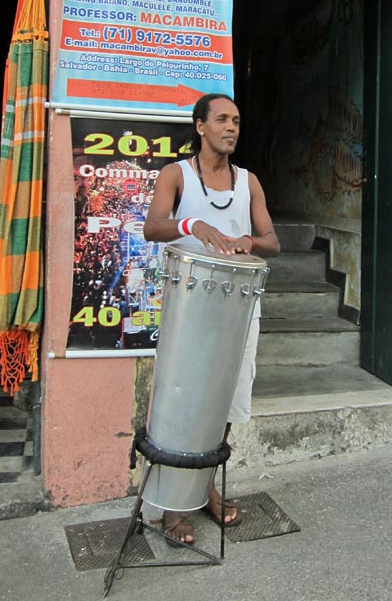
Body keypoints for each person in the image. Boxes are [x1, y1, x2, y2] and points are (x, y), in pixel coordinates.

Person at [143, 94, 280, 544]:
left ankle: (205, 490)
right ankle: (171, 505)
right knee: (181, 402)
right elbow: (152, 226)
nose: (231, 127)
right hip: (189, 310)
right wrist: (192, 227)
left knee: (226, 399)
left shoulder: (249, 182)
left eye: (237, 121)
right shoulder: (176, 175)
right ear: (200, 125)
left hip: (239, 308)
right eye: (222, 119)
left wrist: (249, 241)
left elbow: (272, 241)